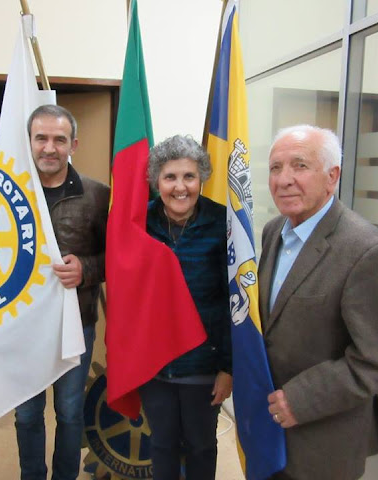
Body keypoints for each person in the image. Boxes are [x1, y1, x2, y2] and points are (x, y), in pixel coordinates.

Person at [259, 125, 378, 480]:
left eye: (300, 165)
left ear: (332, 176)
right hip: (269, 429)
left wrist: (300, 400)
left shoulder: (367, 250)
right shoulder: (273, 231)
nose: (284, 179)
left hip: (324, 441)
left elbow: (377, 359)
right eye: (276, 168)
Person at [14, 105, 110, 480]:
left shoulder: (98, 196)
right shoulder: (12, 195)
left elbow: (118, 259)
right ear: (29, 142)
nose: (49, 148)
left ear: (74, 144)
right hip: (24, 325)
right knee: (26, 414)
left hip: (76, 324)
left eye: (59, 139)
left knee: (70, 412)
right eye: (41, 138)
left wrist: (86, 269)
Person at [140, 134, 232, 480]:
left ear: (202, 178)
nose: (180, 187)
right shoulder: (139, 222)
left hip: (203, 364)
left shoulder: (223, 223)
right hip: (154, 364)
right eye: (170, 177)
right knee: (161, 444)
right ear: (157, 181)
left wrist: (228, 367)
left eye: (189, 176)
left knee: (201, 446)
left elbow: (233, 302)